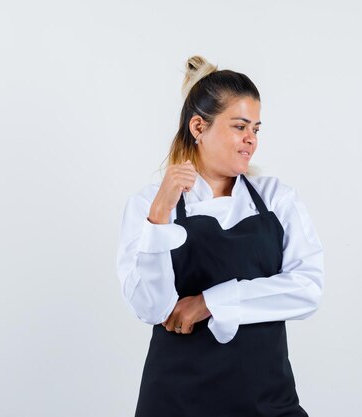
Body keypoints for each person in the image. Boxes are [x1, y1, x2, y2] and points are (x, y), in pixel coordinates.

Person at [116, 55, 324, 417]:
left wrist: (211, 302)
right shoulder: (147, 206)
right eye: (240, 127)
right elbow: (150, 307)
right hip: (176, 402)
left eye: (256, 129)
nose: (251, 140)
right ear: (199, 127)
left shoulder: (277, 198)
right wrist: (159, 217)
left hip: (267, 403)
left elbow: (307, 290)